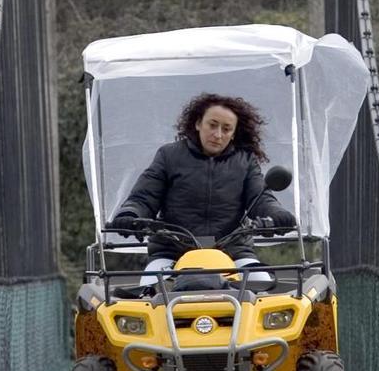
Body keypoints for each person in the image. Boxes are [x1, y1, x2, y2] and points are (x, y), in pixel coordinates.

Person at [110, 92, 296, 286]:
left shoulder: (245, 161)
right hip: (172, 253)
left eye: (226, 129)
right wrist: (130, 213)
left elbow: (261, 197)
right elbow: (144, 196)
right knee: (149, 294)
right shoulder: (169, 156)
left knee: (263, 288)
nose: (218, 134)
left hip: (234, 254)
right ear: (198, 123)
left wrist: (278, 214)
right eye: (212, 125)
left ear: (234, 133)